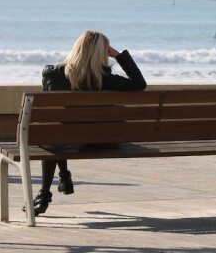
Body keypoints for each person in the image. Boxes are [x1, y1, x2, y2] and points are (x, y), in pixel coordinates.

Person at [26, 30, 147, 216]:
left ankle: (45, 193)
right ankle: (64, 177)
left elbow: (53, 120)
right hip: (103, 142)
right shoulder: (107, 79)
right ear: (102, 53)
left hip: (64, 140)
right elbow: (140, 83)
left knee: (55, 134)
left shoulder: (53, 75)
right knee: (60, 134)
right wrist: (119, 55)